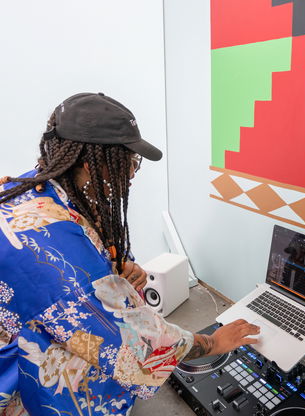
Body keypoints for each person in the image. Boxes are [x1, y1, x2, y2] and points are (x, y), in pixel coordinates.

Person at [0, 93, 259, 415]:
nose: (132, 174)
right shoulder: (69, 270)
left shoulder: (24, 189)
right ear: (88, 164)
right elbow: (134, 347)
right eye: (128, 164)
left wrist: (110, 266)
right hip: (35, 389)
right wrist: (213, 343)